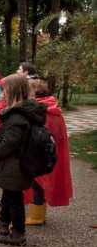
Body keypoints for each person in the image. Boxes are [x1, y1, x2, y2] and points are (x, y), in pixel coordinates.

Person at [0, 74, 46, 246]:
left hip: (15, 164)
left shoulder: (17, 117)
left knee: (14, 200)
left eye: (3, 90)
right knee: (8, 196)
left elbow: (11, 143)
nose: (1, 93)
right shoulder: (20, 113)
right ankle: (4, 226)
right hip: (14, 163)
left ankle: (18, 233)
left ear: (12, 91)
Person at [23, 79, 73, 225]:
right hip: (49, 151)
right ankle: (39, 214)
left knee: (37, 183)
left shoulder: (42, 109)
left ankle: (36, 217)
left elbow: (42, 133)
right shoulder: (51, 106)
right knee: (39, 183)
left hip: (41, 153)